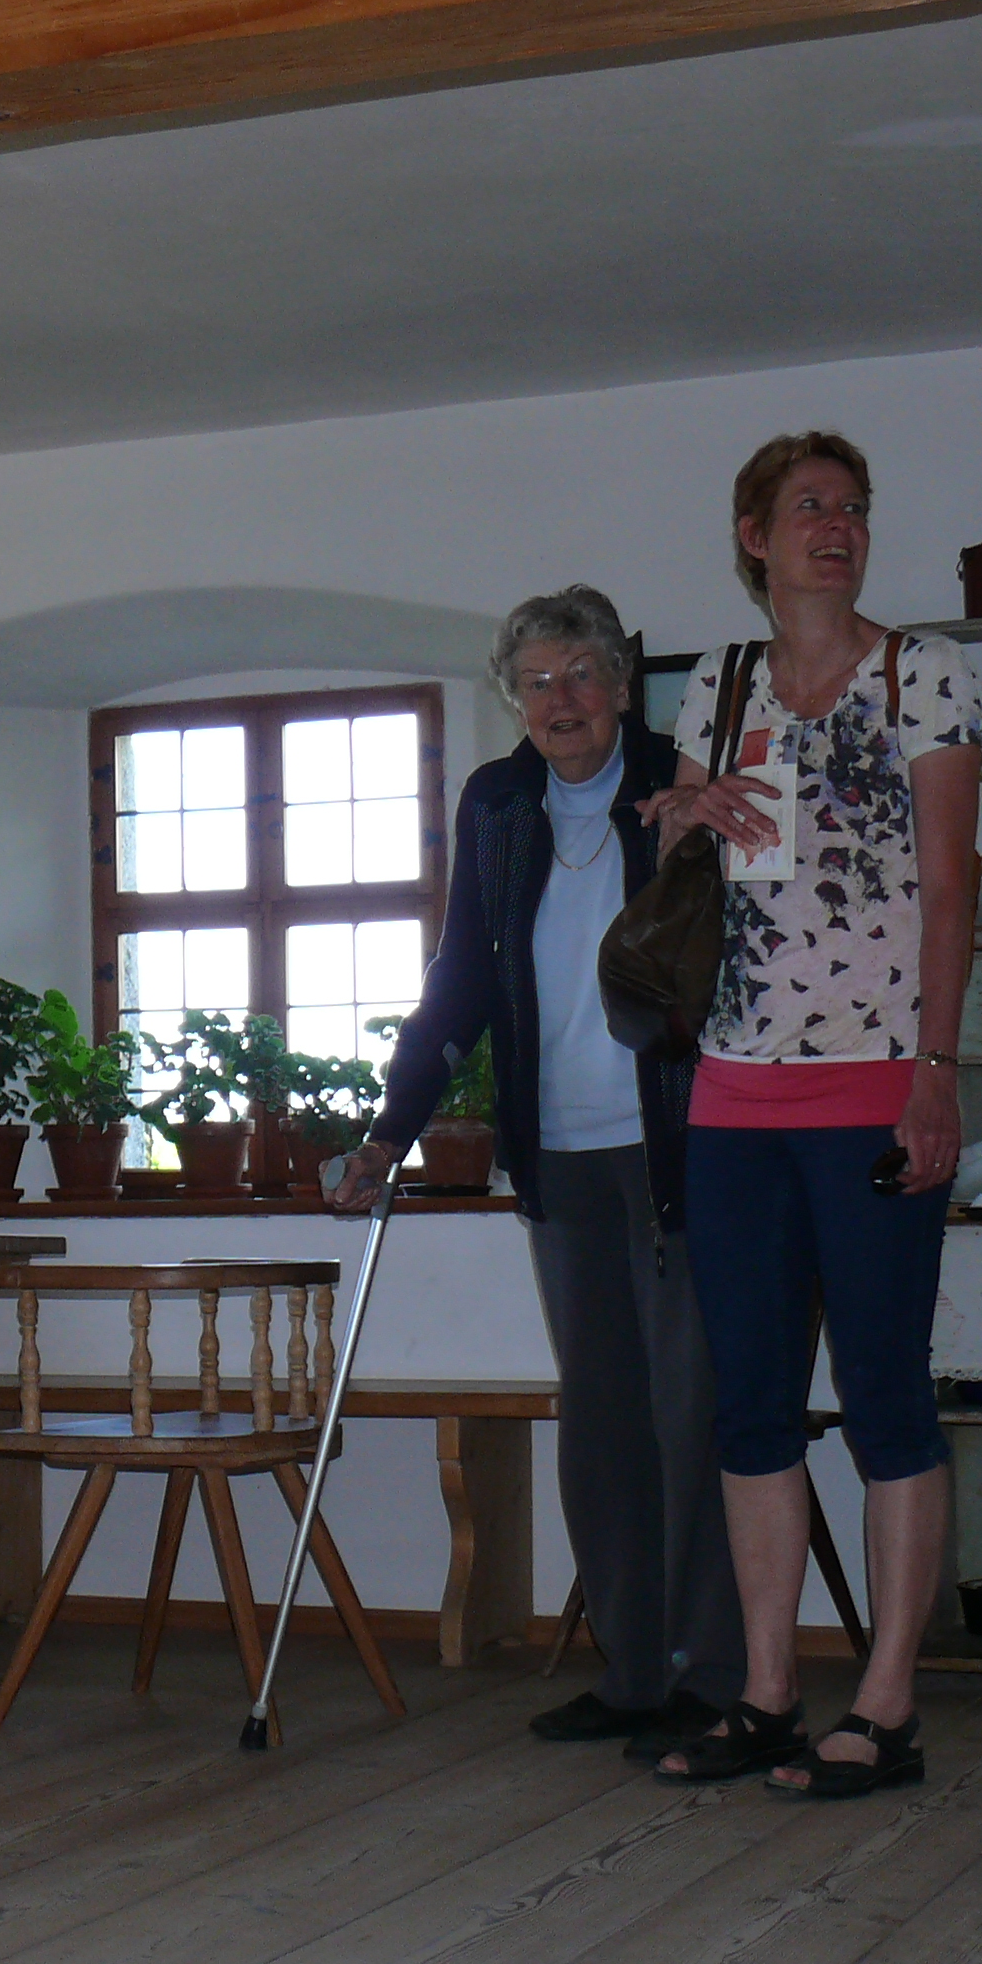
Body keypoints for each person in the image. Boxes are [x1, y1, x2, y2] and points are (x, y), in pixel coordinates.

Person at [334, 586, 742, 1750]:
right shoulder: (498, 803)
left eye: (580, 675)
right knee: (602, 1421)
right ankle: (633, 1675)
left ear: (620, 684)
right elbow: (461, 976)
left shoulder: (679, 779)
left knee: (693, 1416)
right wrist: (390, 1131)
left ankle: (714, 1678)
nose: (560, 700)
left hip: (680, 1148)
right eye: (537, 683)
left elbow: (744, 952)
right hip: (557, 1160)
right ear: (515, 700)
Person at [642, 431, 982, 1800]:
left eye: (853, 508)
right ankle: (770, 1695)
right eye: (809, 508)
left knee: (888, 1395)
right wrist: (684, 810)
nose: (836, 527)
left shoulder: (923, 674)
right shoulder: (719, 682)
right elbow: (680, 863)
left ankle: (888, 1707)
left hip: (877, 1086)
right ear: (755, 537)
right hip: (732, 1093)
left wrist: (937, 1069)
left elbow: (952, 883)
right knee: (752, 1408)